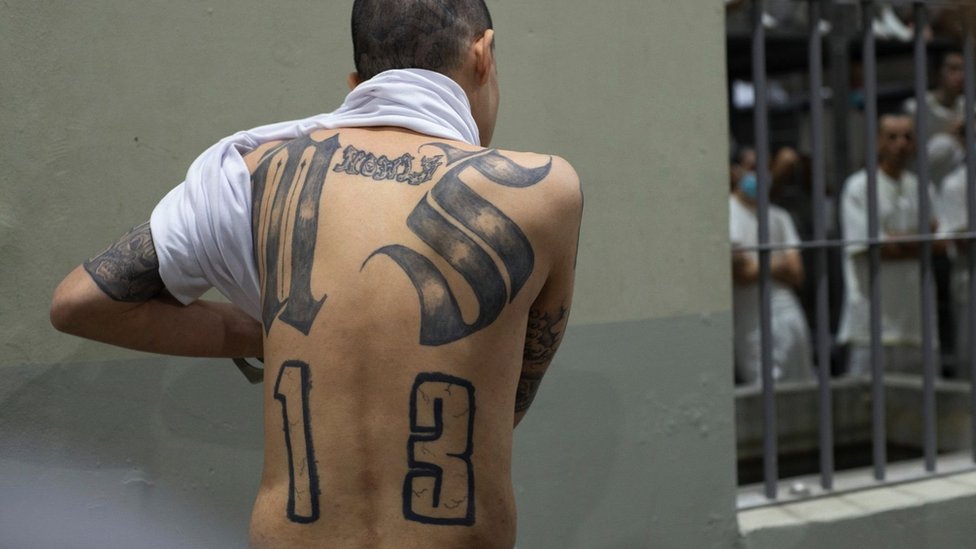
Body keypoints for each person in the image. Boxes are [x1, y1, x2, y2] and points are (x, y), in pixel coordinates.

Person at [49, 1, 583, 547]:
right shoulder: (545, 190)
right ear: (484, 54)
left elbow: (79, 303)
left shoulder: (256, 173)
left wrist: (279, 331)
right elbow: (507, 406)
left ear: (357, 83)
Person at [837, 113, 940, 375]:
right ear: (877, 142)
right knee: (867, 411)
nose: (901, 143)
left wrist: (894, 238)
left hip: (918, 325)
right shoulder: (858, 187)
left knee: (922, 411)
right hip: (871, 328)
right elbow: (873, 248)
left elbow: (941, 244)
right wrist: (918, 238)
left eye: (907, 136)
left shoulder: (923, 187)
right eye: (892, 137)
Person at [729, 148, 814, 385]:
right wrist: (778, 264)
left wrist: (758, 263)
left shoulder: (779, 216)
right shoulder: (727, 215)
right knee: (766, 399)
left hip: (791, 318)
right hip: (752, 325)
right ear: (735, 172)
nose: (760, 175)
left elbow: (797, 274)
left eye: (764, 168)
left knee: (801, 395)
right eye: (752, 168)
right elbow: (742, 275)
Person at [903, 49, 966, 187]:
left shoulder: (969, 107)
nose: (960, 76)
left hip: (958, 180)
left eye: (963, 69)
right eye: (953, 69)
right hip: (922, 179)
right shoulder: (915, 107)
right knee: (945, 144)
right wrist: (953, 135)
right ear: (937, 73)